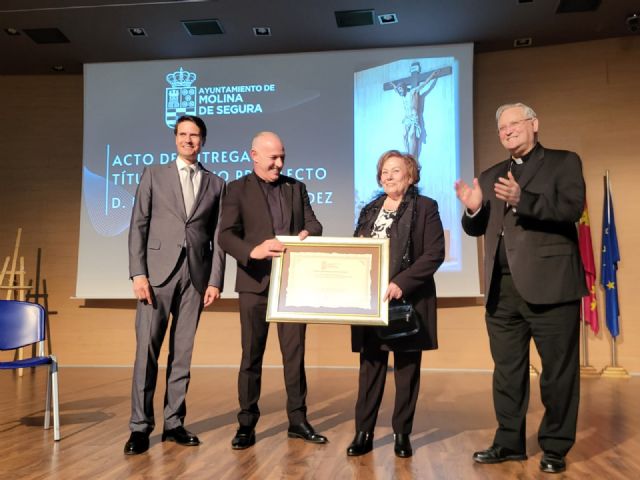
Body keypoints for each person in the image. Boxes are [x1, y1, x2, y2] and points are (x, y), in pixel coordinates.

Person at [454, 103, 587, 474]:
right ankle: (508, 442)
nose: (508, 131)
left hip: (552, 287)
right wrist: (473, 210)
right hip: (503, 291)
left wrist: (521, 200)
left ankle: (556, 445)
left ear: (535, 124)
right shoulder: (492, 173)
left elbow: (571, 209)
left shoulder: (564, 162)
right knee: (507, 372)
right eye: (502, 128)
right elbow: (478, 229)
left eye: (515, 124)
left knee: (558, 373)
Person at [218, 131, 327, 450]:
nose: (279, 163)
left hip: (293, 286)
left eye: (282, 157)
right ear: (253, 155)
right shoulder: (236, 189)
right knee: (251, 356)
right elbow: (225, 236)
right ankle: (246, 424)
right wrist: (253, 251)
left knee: (295, 356)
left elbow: (315, 224)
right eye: (272, 158)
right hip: (255, 284)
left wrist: (308, 233)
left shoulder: (297, 187)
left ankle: (298, 420)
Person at [124, 115, 226, 455]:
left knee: (182, 355)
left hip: (195, 278)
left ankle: (174, 423)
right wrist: (138, 273)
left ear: (203, 140)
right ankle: (140, 427)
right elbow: (138, 224)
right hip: (156, 278)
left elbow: (218, 237)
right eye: (183, 134)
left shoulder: (216, 183)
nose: (188, 140)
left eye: (194, 135)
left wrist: (214, 279)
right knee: (146, 354)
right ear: (175, 139)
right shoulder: (154, 175)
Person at [347, 150, 445, 458]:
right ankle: (363, 432)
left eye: (396, 171)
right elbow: (357, 247)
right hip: (371, 301)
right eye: (384, 172)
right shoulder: (370, 209)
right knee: (370, 366)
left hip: (409, 301)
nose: (389, 176)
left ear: (411, 175)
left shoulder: (426, 207)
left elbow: (434, 253)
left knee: (406, 368)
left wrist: (401, 283)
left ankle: (402, 433)